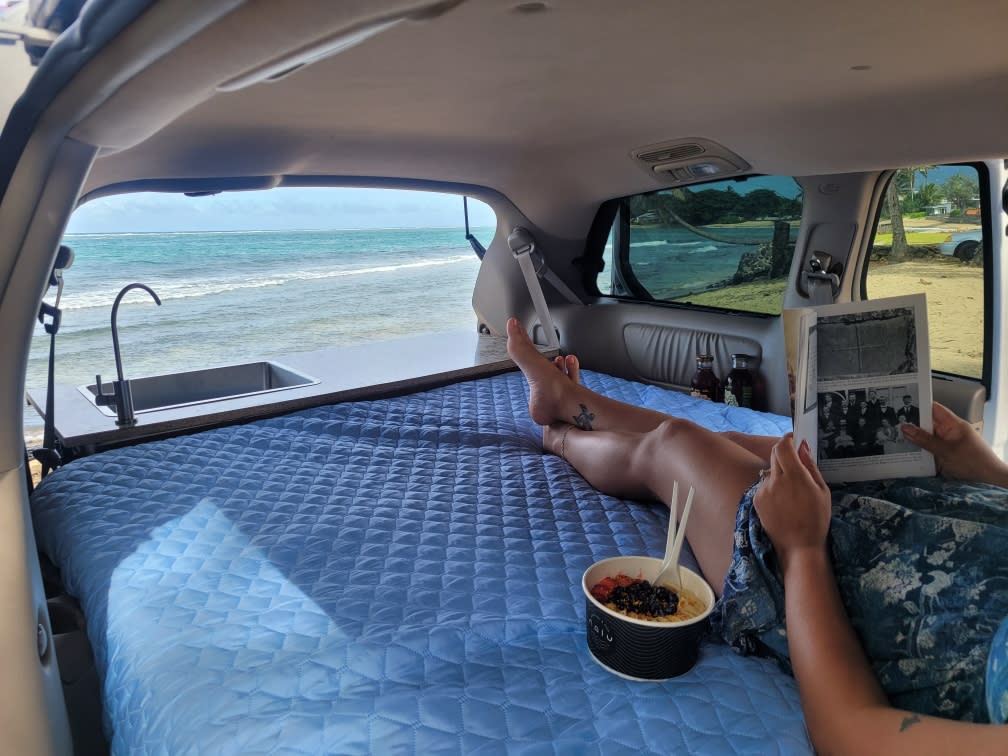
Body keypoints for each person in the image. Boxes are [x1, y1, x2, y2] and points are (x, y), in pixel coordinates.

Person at [505, 318, 1007, 754]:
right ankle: (571, 402)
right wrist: (987, 472)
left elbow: (853, 736)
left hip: (835, 569)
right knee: (751, 445)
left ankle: (560, 434)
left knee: (676, 447)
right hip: (952, 509)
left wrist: (801, 548)